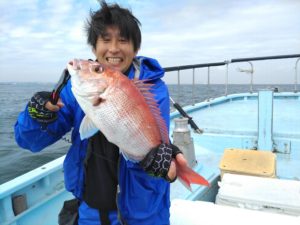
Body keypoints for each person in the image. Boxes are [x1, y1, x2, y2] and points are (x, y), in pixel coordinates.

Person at [14, 1, 187, 225]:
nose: (114, 48)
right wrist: (37, 116)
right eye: (105, 40)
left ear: (135, 48)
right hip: (91, 210)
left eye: (123, 40)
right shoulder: (74, 90)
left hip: (145, 212)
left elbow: (153, 138)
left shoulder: (153, 88)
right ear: (94, 48)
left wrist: (162, 161)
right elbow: (30, 142)